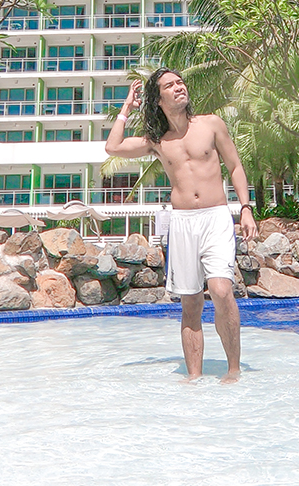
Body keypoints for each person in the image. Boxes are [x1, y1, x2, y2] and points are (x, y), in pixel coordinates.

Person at [105, 68, 258, 383]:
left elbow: (235, 165)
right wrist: (125, 110)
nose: (178, 88)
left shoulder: (211, 124)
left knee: (221, 289)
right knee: (190, 302)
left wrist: (245, 208)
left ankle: (233, 369)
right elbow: (112, 148)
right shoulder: (158, 141)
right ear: (158, 100)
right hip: (183, 222)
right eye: (169, 86)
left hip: (216, 215)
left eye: (180, 83)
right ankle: (194, 378)